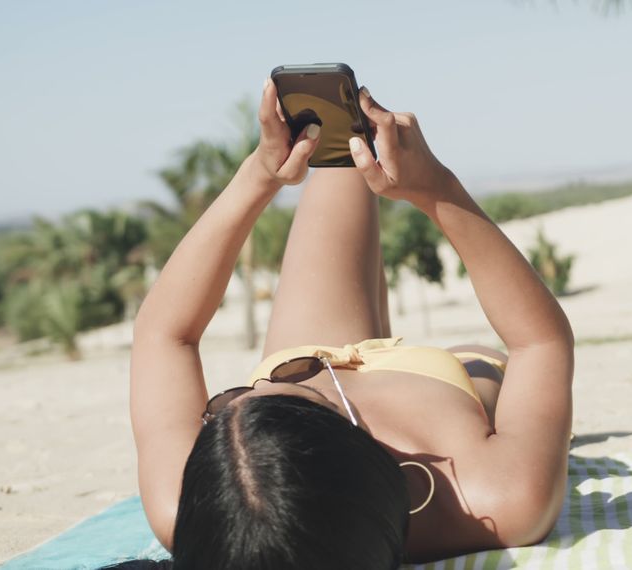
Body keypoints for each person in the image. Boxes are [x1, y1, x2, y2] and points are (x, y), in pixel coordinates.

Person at [128, 78, 574, 569]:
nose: (237, 397)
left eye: (225, 404)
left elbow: (163, 335)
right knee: (490, 366)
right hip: (451, 382)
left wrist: (260, 174)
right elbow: (540, 343)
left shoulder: (194, 509)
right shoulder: (496, 497)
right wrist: (437, 189)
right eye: (255, 397)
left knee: (344, 148)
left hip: (312, 349)